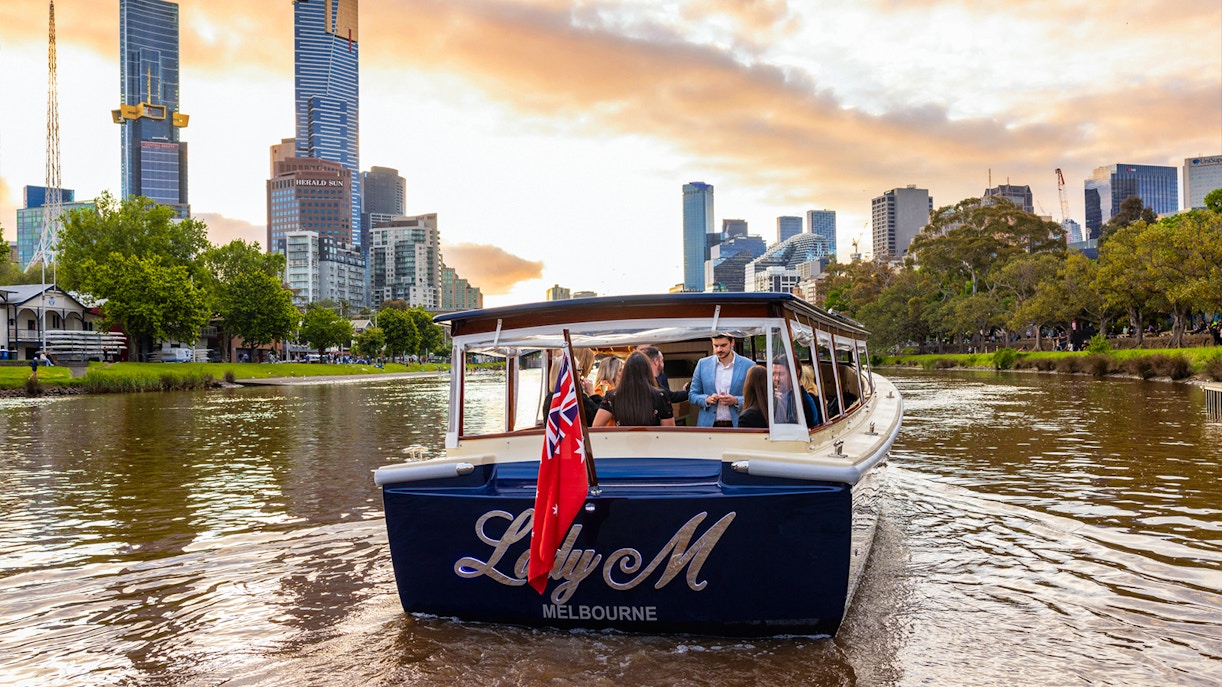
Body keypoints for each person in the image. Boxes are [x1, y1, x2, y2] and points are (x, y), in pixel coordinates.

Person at [688, 333, 755, 427]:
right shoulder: (703, 364)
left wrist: (736, 401)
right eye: (716, 345)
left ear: (732, 343)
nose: (719, 349)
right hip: (709, 426)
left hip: (739, 425)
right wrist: (707, 399)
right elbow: (692, 395)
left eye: (723, 345)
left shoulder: (748, 365)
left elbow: (755, 398)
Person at [592, 352, 675, 427]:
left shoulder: (612, 396)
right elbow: (669, 431)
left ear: (625, 371)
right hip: (652, 442)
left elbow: (596, 426)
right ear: (648, 371)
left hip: (622, 442)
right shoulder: (661, 396)